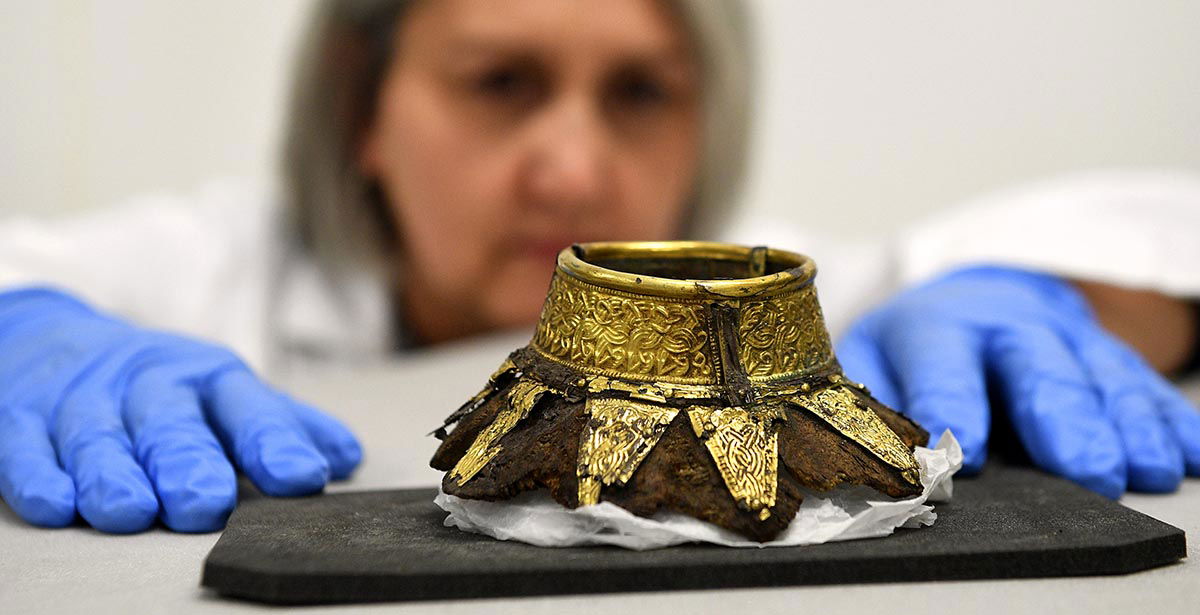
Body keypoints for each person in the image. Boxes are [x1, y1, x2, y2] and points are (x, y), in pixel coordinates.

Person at [0, 0, 1197, 534]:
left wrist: (1022, 288)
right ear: (362, 110)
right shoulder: (201, 271)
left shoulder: (776, 301)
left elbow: (1155, 235)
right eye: (500, 83)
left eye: (640, 93)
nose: (571, 169)